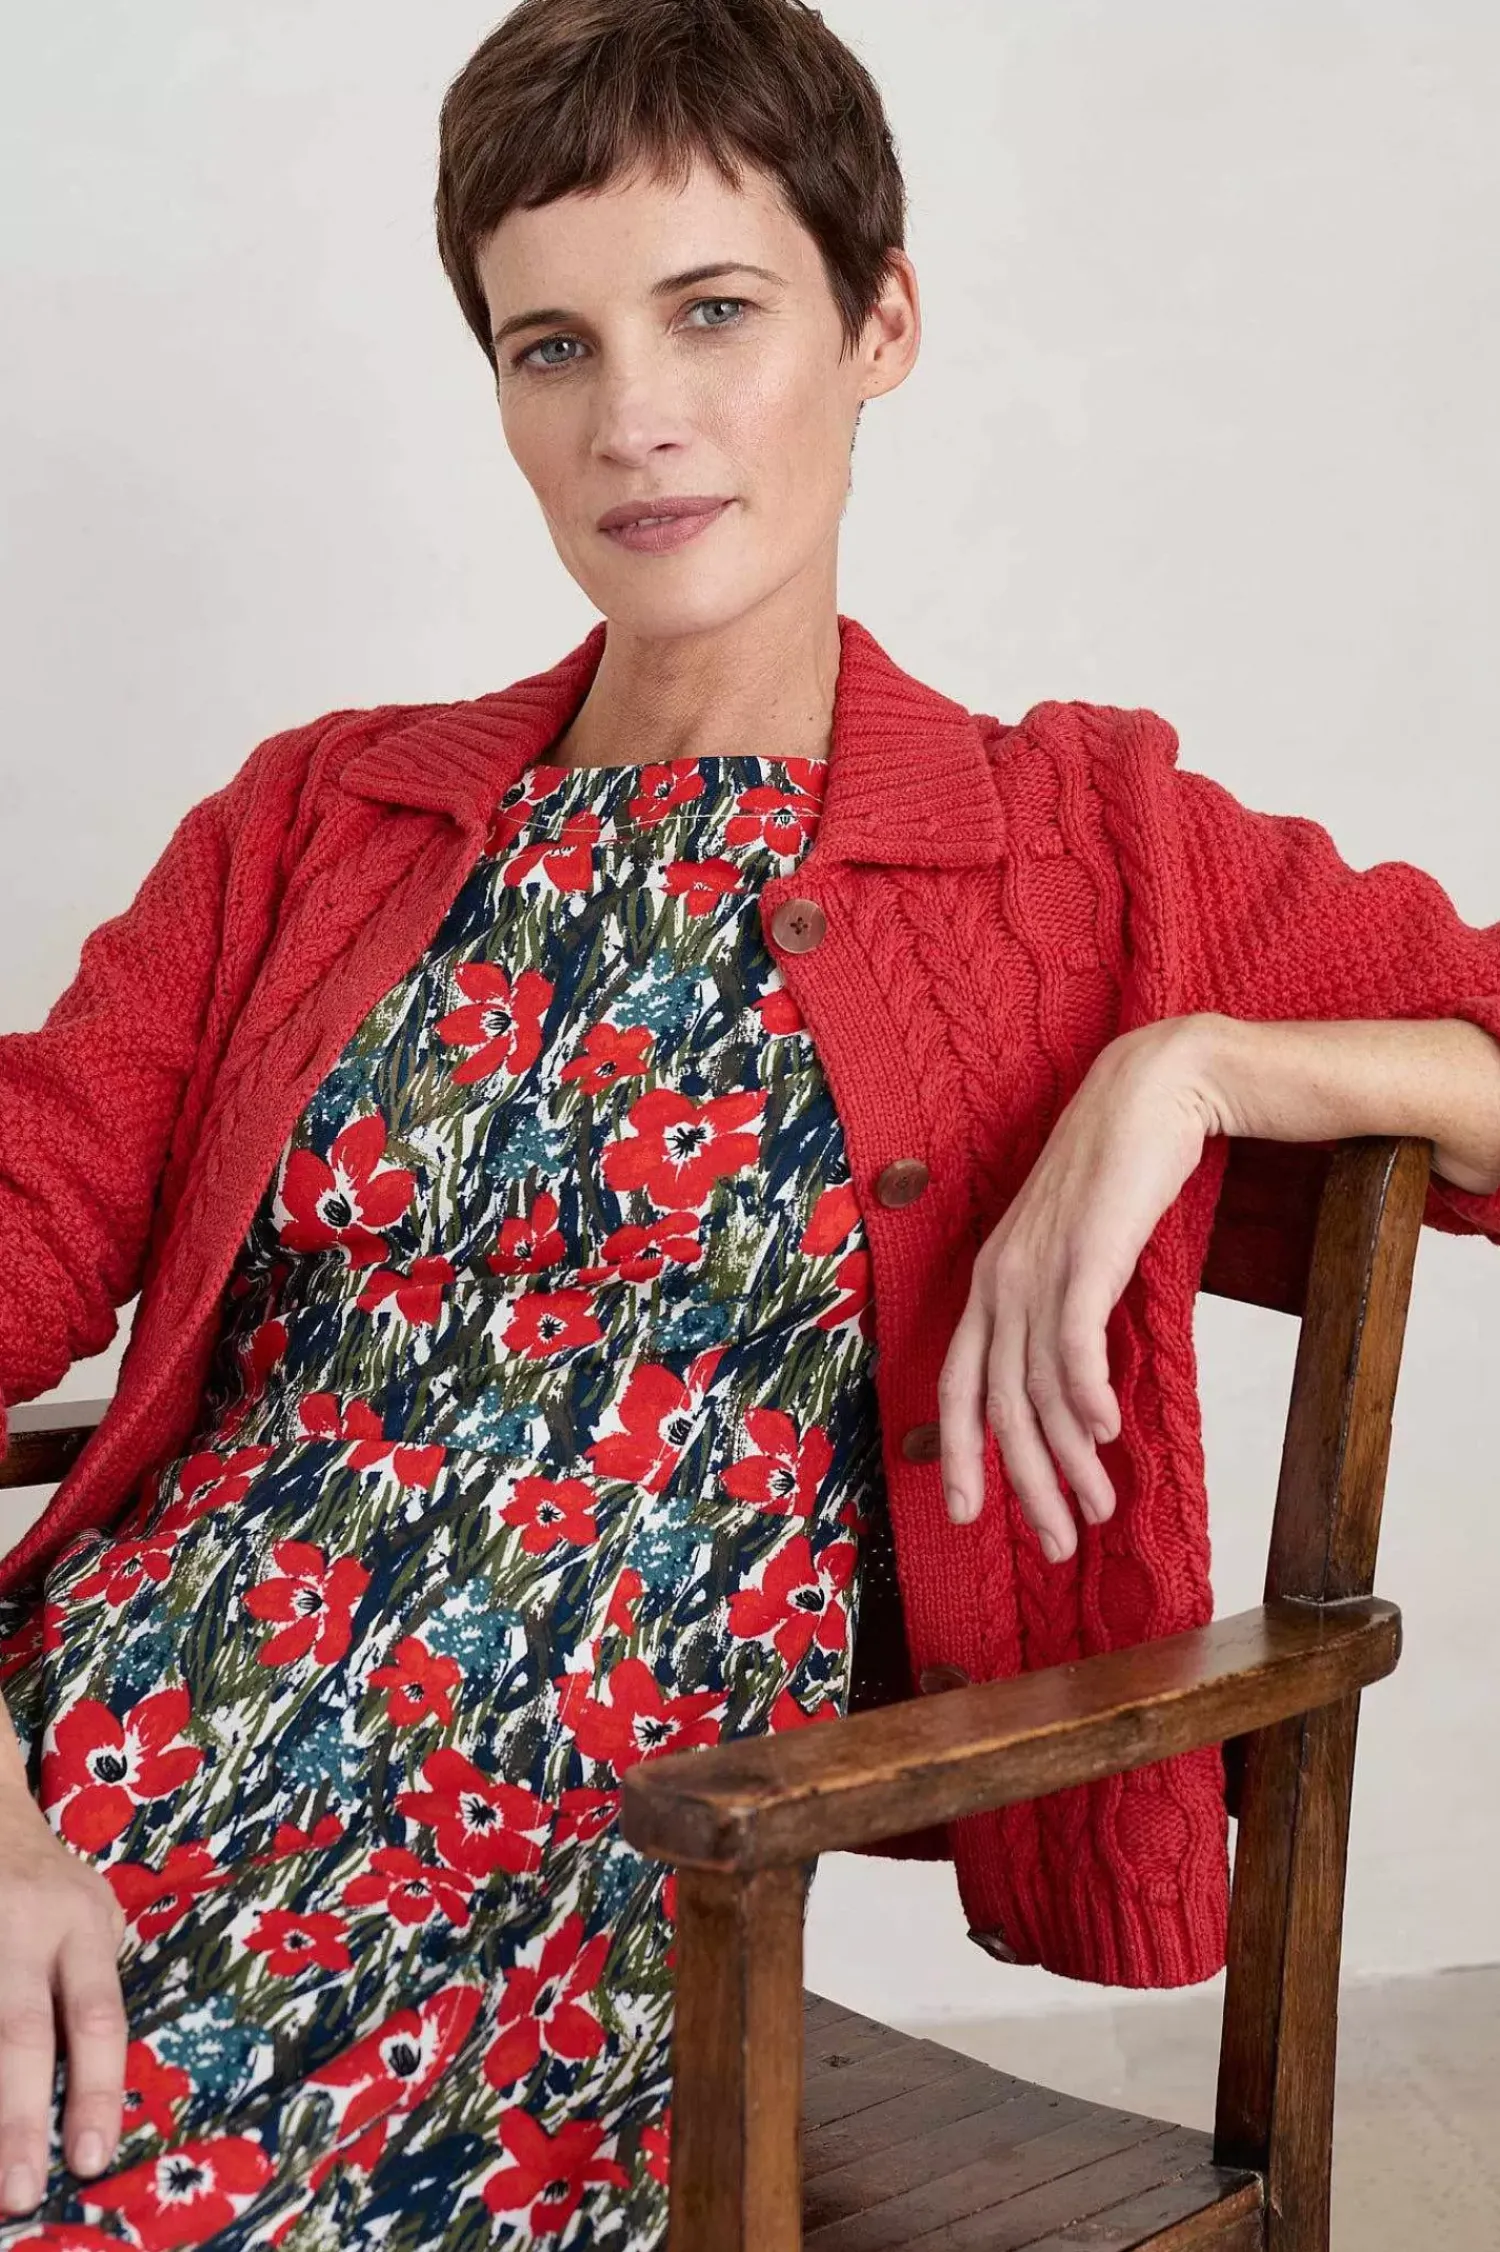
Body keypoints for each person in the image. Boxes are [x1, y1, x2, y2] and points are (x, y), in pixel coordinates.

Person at [4, 2, 1500, 2246]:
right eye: (553, 346)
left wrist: (1193, 1064)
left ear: (879, 321)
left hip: (559, 1898)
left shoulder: (1078, 840)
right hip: (75, 1777)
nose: (635, 418)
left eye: (713, 310)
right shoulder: (318, 816)